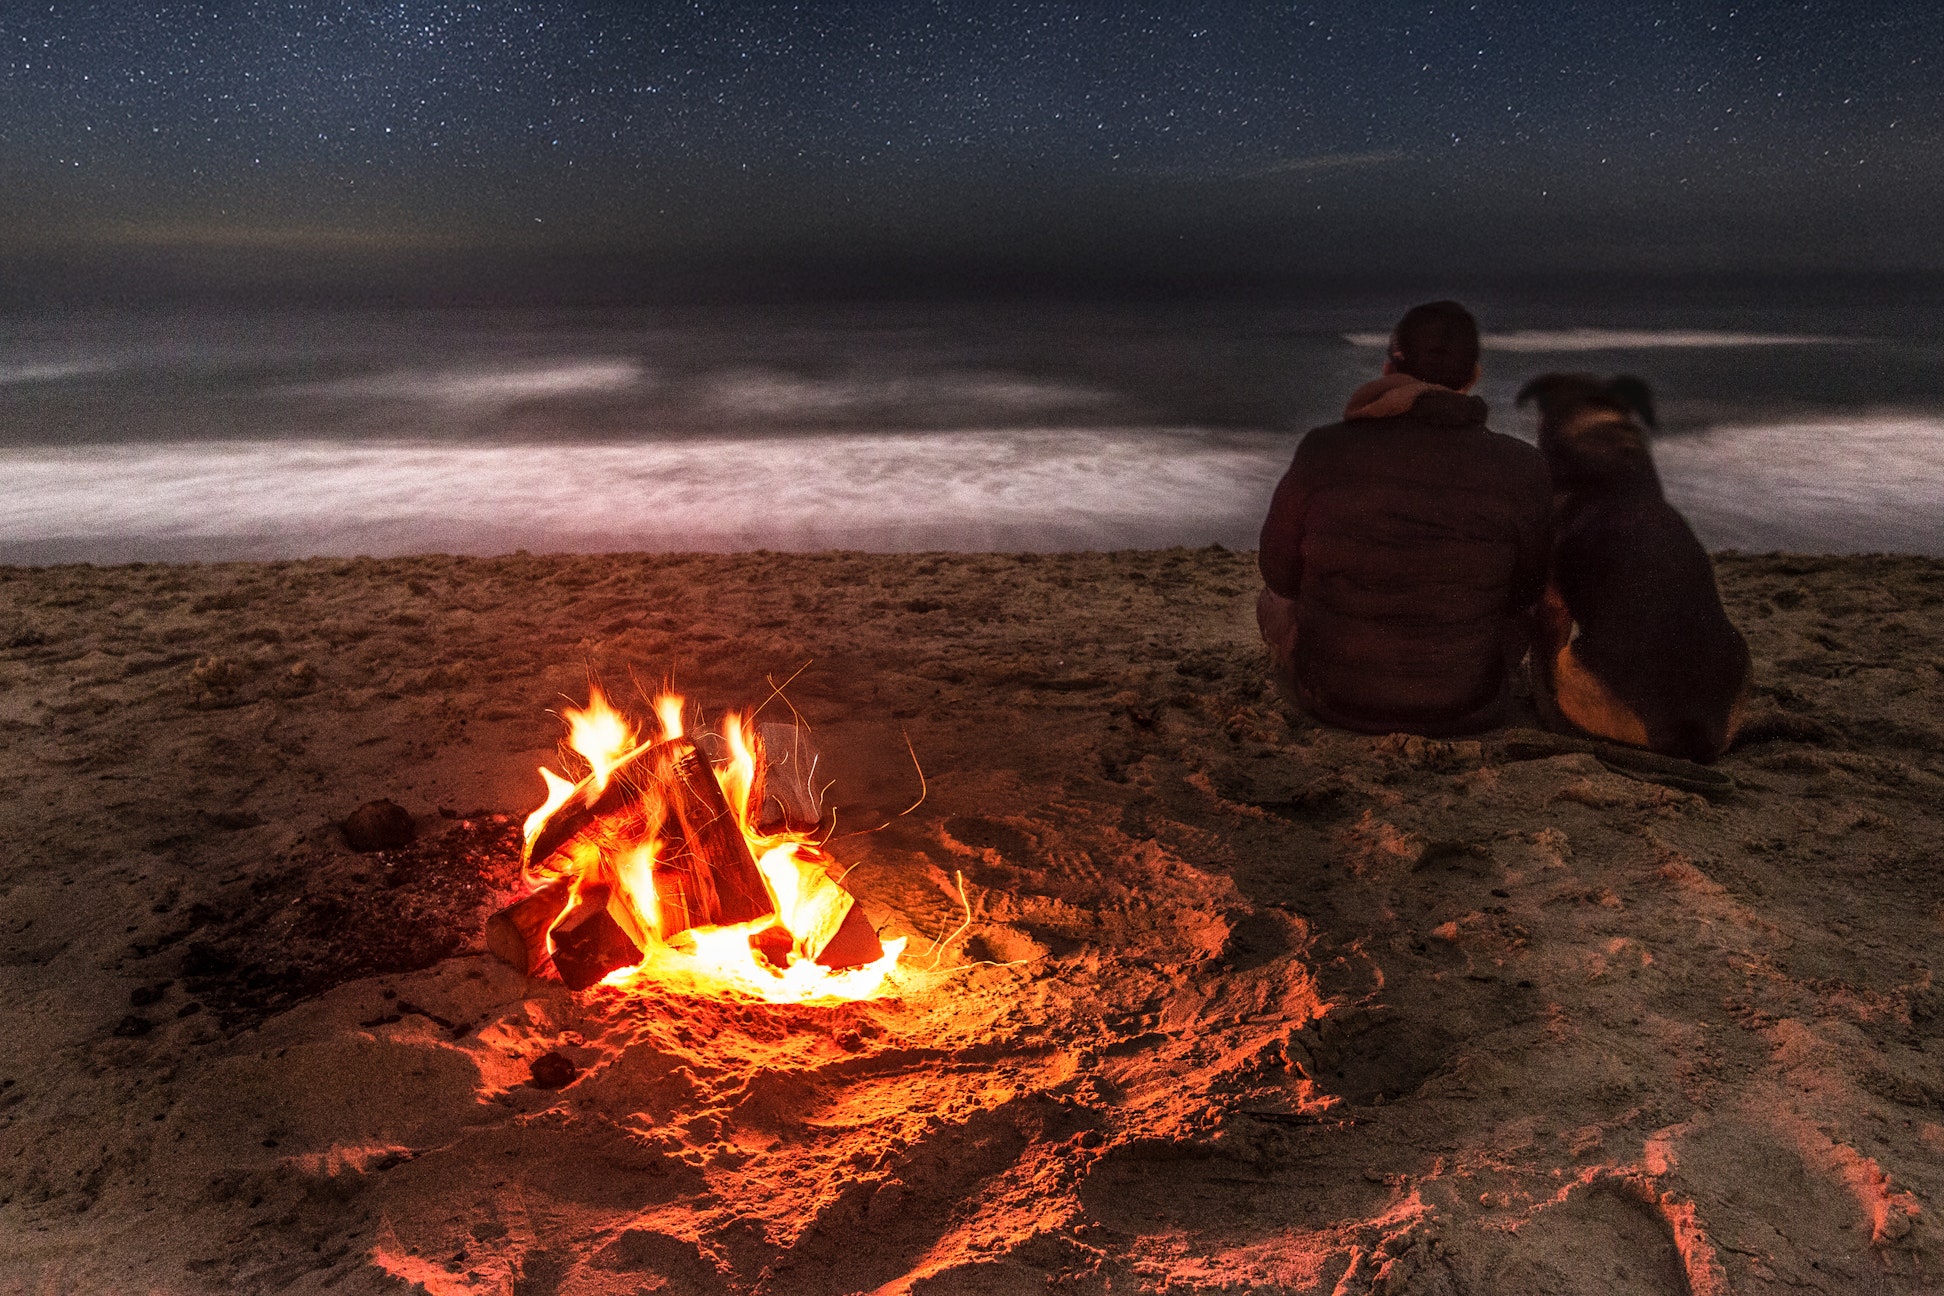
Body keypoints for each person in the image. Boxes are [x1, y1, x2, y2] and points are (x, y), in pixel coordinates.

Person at [1256, 301, 1550, 736]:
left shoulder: (1324, 449)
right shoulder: (1524, 467)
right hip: (1467, 706)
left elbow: (1279, 574)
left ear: (1389, 367)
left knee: (1272, 599)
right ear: (1473, 377)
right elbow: (1527, 588)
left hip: (1335, 701)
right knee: (1523, 610)